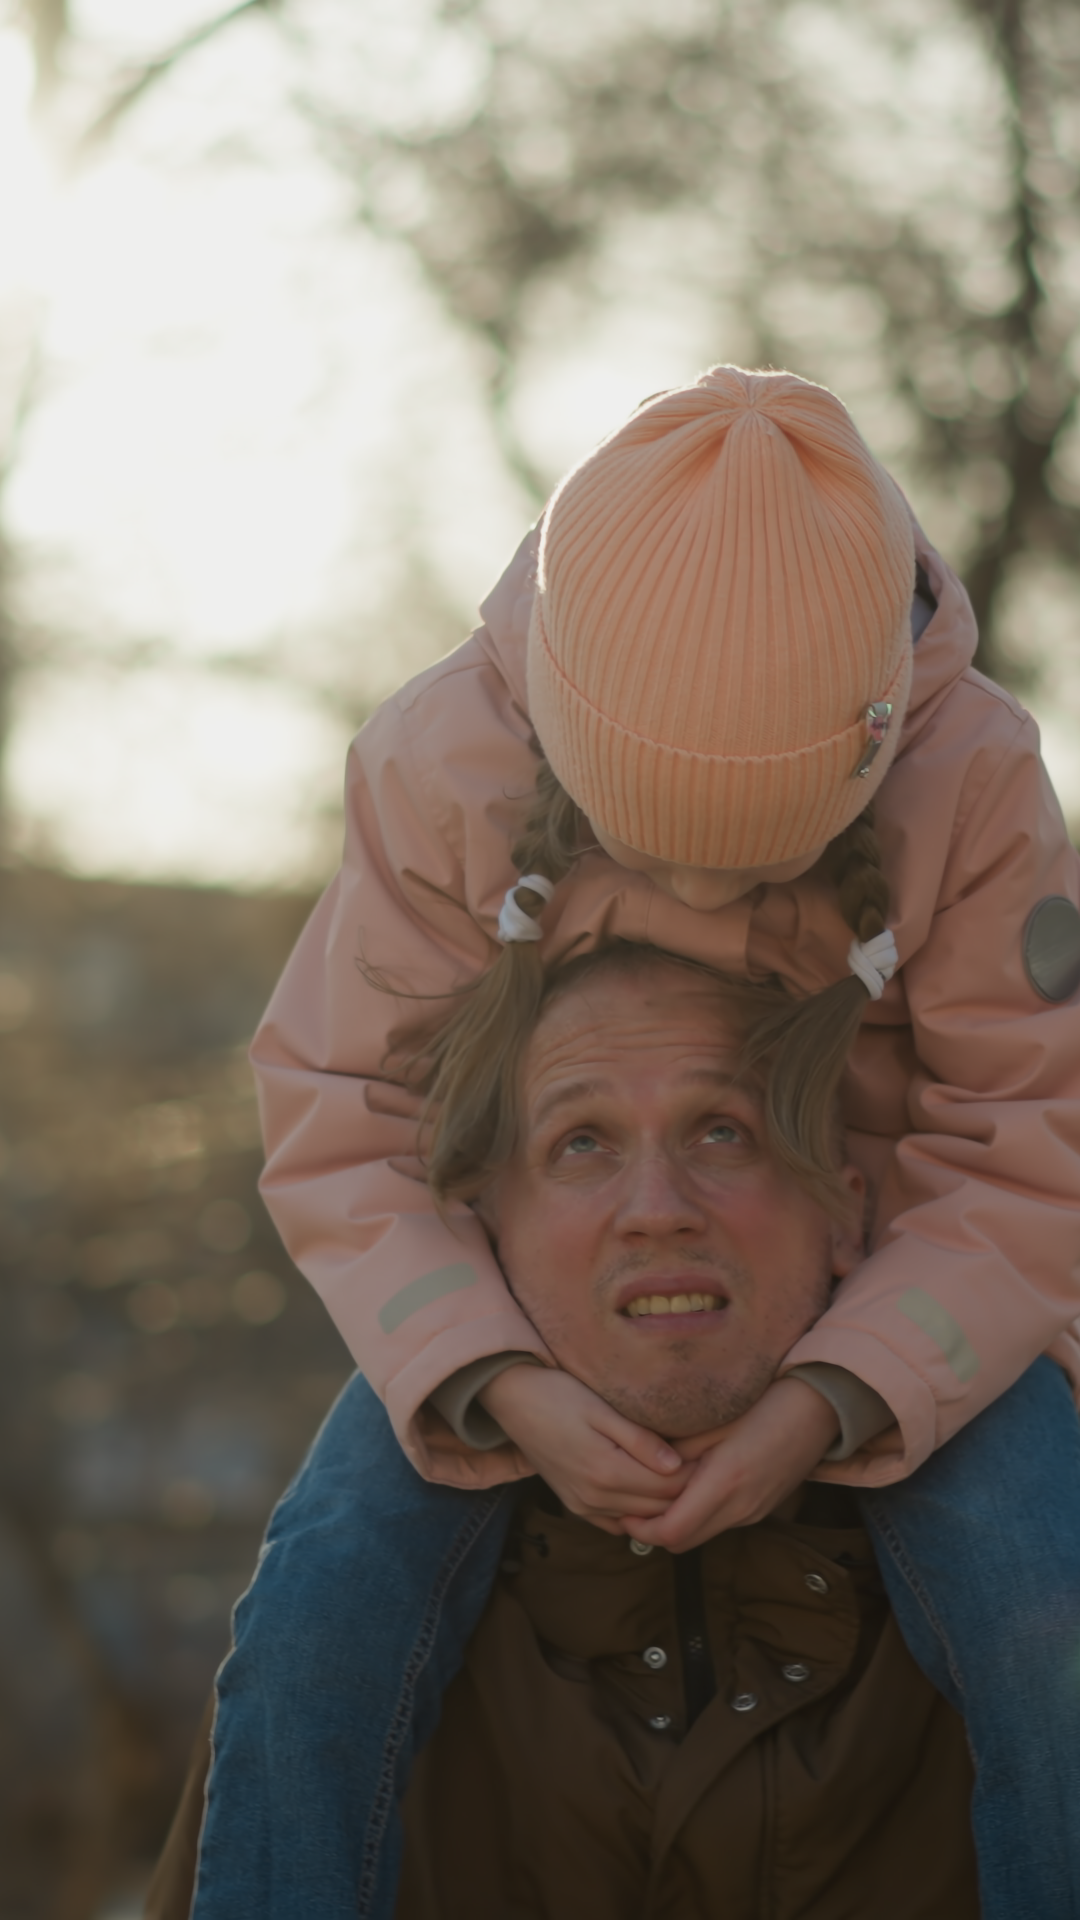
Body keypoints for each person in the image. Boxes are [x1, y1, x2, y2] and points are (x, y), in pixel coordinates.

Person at [192, 368, 1080, 1920]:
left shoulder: (978, 780)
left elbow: (1030, 1138)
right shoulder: (439, 766)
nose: (708, 898)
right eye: (654, 845)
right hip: (522, 1308)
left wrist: (837, 1393)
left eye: (761, 859)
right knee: (315, 1613)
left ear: (871, 754)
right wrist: (495, 1377)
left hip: (915, 1293)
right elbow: (347, 1112)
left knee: (1047, 1610)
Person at [150, 942, 980, 1916]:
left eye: (722, 1132)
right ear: (483, 1234)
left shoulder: (1030, 1613)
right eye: (581, 1143)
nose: (657, 1211)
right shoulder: (330, 1651)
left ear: (845, 1215)